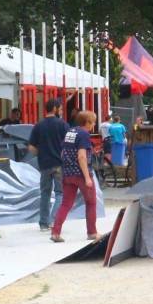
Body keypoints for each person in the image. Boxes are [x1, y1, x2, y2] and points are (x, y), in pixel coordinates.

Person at [50, 110, 100, 243]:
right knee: (91, 203)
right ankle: (92, 232)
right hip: (81, 174)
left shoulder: (70, 132)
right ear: (87, 122)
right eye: (93, 122)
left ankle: (55, 232)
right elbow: (82, 156)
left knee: (66, 203)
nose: (94, 125)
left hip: (67, 173)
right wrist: (87, 177)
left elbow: (63, 153)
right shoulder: (84, 134)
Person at [29, 97, 69, 230]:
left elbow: (31, 147)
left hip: (44, 165)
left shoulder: (38, 125)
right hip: (59, 164)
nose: (61, 112)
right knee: (60, 194)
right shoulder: (63, 125)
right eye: (60, 109)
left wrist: (40, 154)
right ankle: (53, 220)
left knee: (45, 194)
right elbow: (69, 145)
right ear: (55, 109)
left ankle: (43, 223)